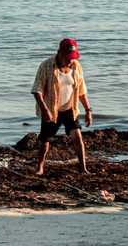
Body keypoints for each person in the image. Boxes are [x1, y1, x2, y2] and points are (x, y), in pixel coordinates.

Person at [31, 37, 92, 175]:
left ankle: (83, 168)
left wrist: (88, 110)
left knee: (78, 137)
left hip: (70, 109)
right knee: (45, 141)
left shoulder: (76, 66)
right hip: (52, 110)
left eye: (73, 56)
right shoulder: (46, 66)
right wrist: (45, 110)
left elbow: (82, 91)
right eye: (68, 57)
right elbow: (37, 90)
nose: (71, 60)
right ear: (60, 52)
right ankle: (40, 168)